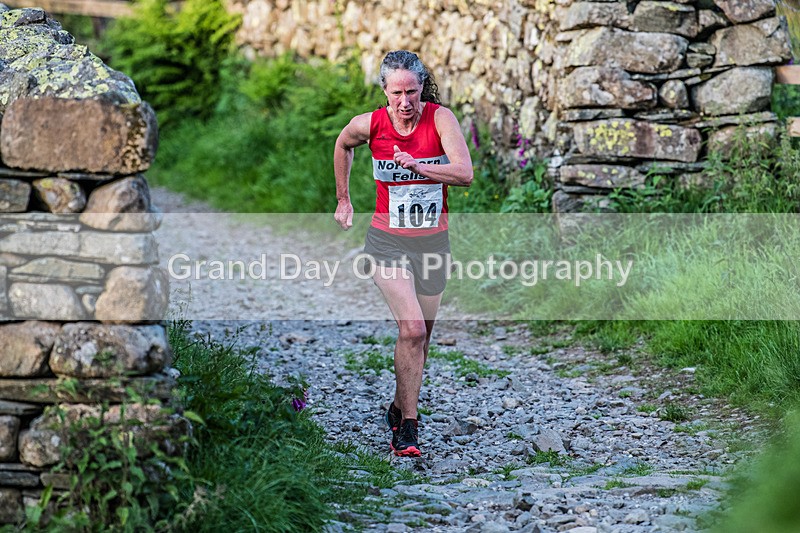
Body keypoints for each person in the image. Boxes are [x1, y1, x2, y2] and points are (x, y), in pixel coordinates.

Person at [333, 50, 473, 457]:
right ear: (385, 91)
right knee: (411, 329)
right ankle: (408, 428)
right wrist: (343, 198)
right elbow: (343, 143)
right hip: (387, 241)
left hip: (432, 243)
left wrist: (419, 166)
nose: (405, 101)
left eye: (411, 91)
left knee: (422, 337)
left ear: (421, 87)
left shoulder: (440, 119)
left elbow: (464, 173)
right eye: (396, 93)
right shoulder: (371, 124)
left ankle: (398, 406)